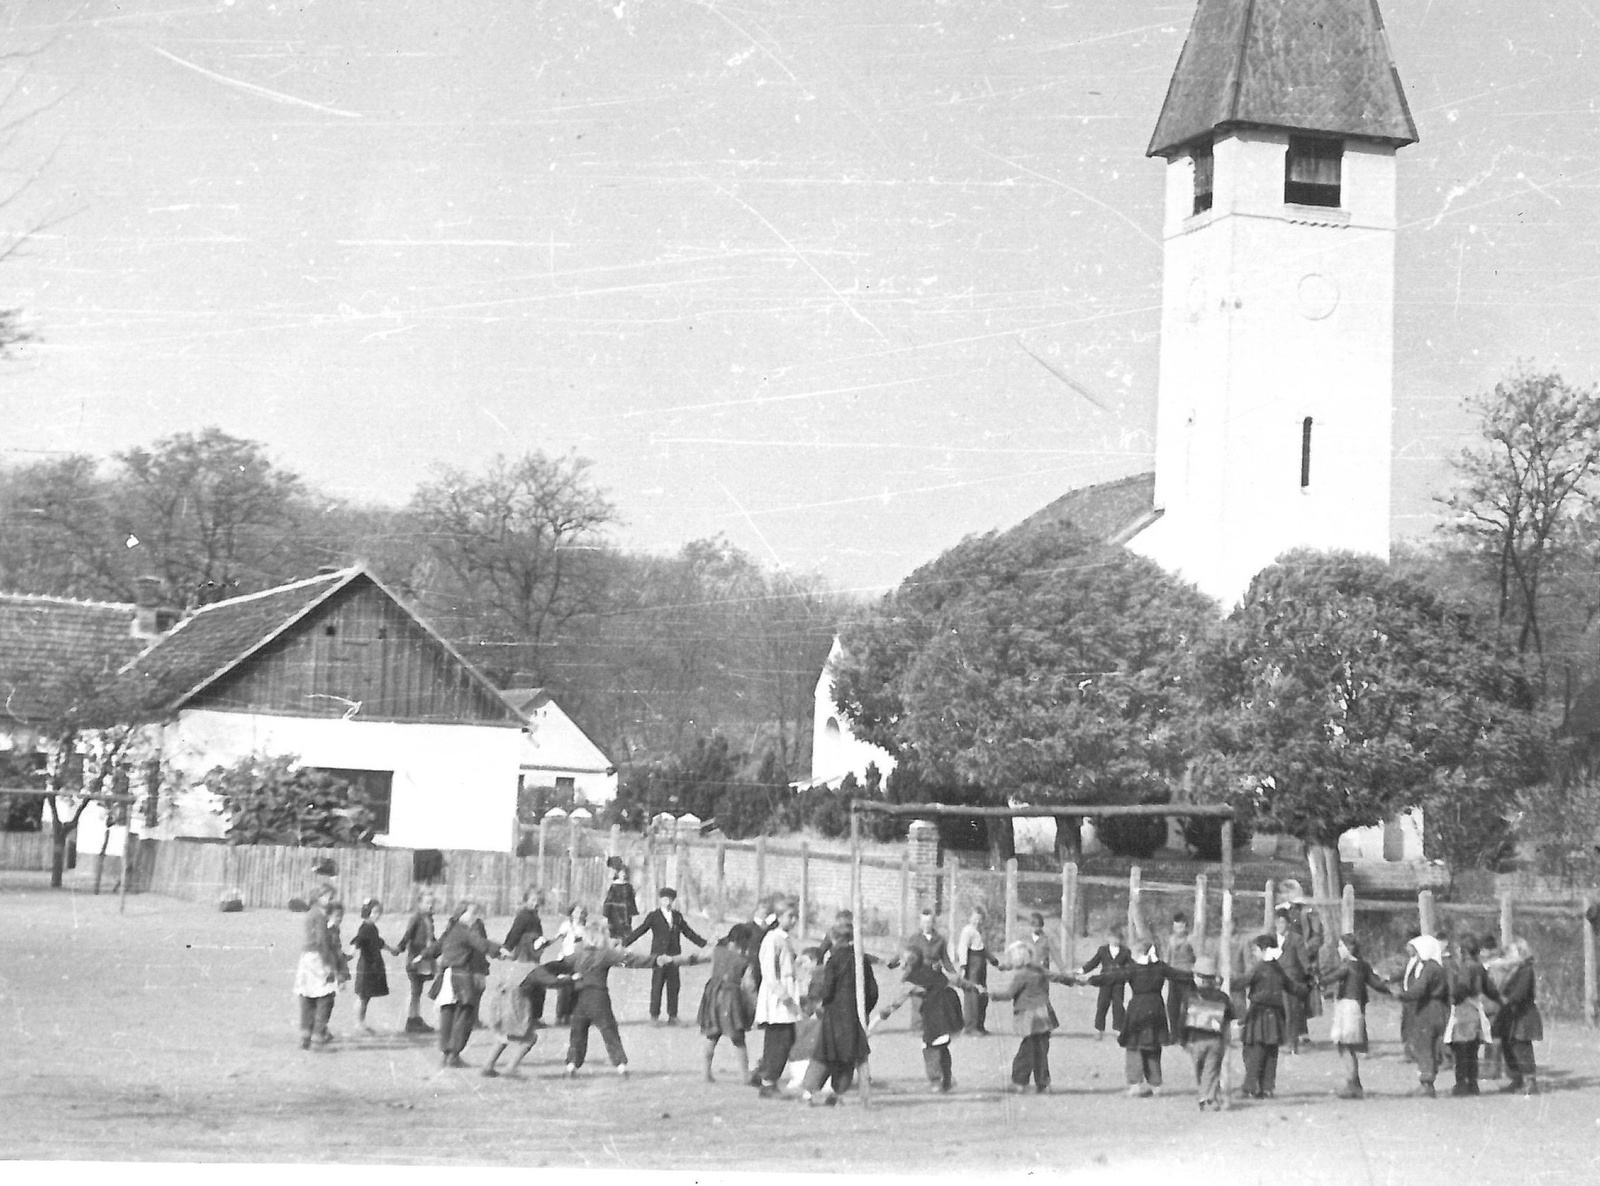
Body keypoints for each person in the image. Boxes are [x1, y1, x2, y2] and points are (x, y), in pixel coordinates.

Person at [552, 927, 685, 1077]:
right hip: (599, 998)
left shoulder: (577, 954)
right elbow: (631, 960)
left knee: (577, 1033)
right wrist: (656, 960)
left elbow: (558, 966)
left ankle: (571, 1067)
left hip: (580, 999)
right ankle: (621, 1067)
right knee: (609, 1031)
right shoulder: (605, 954)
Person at [1080, 936, 1194, 1097]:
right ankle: (1156, 1085)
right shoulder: (1160, 967)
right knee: (1153, 1046)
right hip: (1156, 1008)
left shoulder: (1134, 968)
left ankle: (1135, 1085)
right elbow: (1180, 975)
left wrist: (1091, 980)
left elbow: (1112, 977)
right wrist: (1199, 976)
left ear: (1140, 952)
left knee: (1134, 1046)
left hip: (1138, 1009)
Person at [875, 908, 972, 1093]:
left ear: (933, 922)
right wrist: (892, 962)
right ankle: (945, 1079)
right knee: (938, 1039)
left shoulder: (939, 941)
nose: (926, 924)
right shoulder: (914, 940)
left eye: (929, 922)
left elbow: (946, 964)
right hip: (934, 994)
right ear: (920, 923)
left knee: (931, 1042)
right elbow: (905, 954)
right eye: (924, 922)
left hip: (931, 991)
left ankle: (938, 1080)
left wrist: (886, 1011)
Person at [799, 920, 878, 1106]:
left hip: (835, 1013)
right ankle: (839, 1092)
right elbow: (872, 991)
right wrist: (864, 1010)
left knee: (825, 1052)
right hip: (853, 1014)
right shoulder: (861, 959)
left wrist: (821, 1003)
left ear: (834, 939)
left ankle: (809, 1092)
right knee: (850, 1054)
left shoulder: (834, 960)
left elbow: (828, 989)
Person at [987, 940, 1074, 1094]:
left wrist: (991, 994)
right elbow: (1056, 976)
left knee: (1026, 1051)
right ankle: (1043, 1084)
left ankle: (1019, 1082)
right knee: (1042, 1051)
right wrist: (1071, 980)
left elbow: (1008, 994)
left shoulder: (1021, 975)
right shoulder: (1038, 969)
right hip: (1045, 1015)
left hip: (1030, 1017)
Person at [426, 899, 501, 1068]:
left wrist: (424, 955)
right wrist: (500, 950)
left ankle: (447, 1054)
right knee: (464, 1015)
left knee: (448, 1015)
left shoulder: (452, 928)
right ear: (461, 914)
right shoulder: (466, 930)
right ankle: (453, 1055)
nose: (475, 916)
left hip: (448, 975)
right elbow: (482, 945)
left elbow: (438, 946)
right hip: (462, 977)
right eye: (472, 913)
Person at [1319, 933, 1389, 1099]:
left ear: (1348, 948)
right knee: (1348, 1045)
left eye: (1340, 946)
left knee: (1344, 1045)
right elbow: (1375, 983)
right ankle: (1354, 1083)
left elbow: (1333, 977)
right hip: (1356, 1006)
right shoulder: (1363, 965)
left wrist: (1317, 982)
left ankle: (1352, 1084)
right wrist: (1390, 989)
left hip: (1347, 1007)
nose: (1338, 949)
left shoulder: (1348, 965)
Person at [624, 886, 707, 1025]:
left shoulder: (677, 916)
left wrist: (704, 944)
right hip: (658, 958)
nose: (667, 902)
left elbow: (689, 933)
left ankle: (673, 1016)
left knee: (674, 986)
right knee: (657, 985)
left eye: (669, 899)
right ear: (660, 900)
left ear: (673, 900)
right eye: (664, 899)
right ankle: (654, 1016)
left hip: (674, 957)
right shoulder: (654, 916)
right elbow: (640, 931)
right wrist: (625, 943)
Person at [480, 950, 570, 1079]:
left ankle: (487, 1066)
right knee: (529, 1038)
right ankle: (510, 1068)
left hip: (501, 1005)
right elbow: (552, 982)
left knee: (503, 1035)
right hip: (518, 1005)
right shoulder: (533, 968)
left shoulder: (512, 965)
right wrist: (569, 979)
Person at [1239, 934, 1301, 1099]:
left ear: (1263, 949)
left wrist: (1224, 981)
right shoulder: (1278, 969)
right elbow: (1294, 988)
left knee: (1255, 1052)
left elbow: (1242, 982)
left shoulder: (1259, 968)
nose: (1254, 953)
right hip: (1275, 1015)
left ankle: (1251, 1087)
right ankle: (1267, 1088)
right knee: (1271, 1053)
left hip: (1258, 1014)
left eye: (1256, 949)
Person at [754, 899, 803, 1098]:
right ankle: (768, 1082)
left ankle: (764, 1074)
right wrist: (785, 997)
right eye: (790, 916)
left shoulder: (785, 938)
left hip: (788, 994)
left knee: (785, 1038)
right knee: (779, 1039)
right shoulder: (772, 939)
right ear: (779, 917)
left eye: (795, 916)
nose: (793, 920)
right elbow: (769, 974)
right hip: (777, 999)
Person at [698, 923, 759, 1083]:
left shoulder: (717, 952)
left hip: (712, 996)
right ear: (743, 940)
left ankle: (706, 1073)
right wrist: (753, 1008)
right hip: (730, 999)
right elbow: (750, 986)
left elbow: (699, 958)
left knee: (712, 1035)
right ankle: (745, 1076)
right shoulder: (744, 961)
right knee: (738, 1039)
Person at [1392, 934, 1450, 1097]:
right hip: (1437, 1008)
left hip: (1427, 1009)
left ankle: (1426, 1083)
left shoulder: (1429, 968)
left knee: (1425, 1046)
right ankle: (1428, 1080)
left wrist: (1402, 995)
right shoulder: (1438, 966)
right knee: (1430, 1046)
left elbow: (1419, 989)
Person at [1445, 932, 1499, 1096]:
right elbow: (1490, 989)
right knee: (1472, 1051)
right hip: (1476, 1009)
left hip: (1464, 1011)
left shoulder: (1466, 967)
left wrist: (1454, 998)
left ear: (1464, 951)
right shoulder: (1480, 967)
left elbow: (1462, 987)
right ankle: (1473, 1083)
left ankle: (1462, 1084)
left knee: (1461, 1050)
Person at [293, 884, 347, 1050]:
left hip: (306, 957)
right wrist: (329, 965)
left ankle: (305, 1034)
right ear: (319, 897)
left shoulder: (310, 913)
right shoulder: (320, 916)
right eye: (329, 898)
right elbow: (323, 942)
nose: (331, 901)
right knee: (326, 995)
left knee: (307, 995)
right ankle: (318, 1035)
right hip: (318, 957)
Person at [1180, 955, 1235, 1111]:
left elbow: (1182, 1019)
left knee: (1200, 1070)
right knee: (1211, 1070)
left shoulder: (1189, 996)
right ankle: (1211, 1097)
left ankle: (1207, 1097)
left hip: (1195, 1040)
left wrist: (1182, 1039)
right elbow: (1229, 1017)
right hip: (1216, 1040)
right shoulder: (1222, 997)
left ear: (1197, 977)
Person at [1492, 937, 1542, 1096]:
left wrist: (1506, 999)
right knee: (1510, 1046)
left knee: (1521, 1047)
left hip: (1523, 1015)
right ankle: (1517, 1078)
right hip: (1512, 1014)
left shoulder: (1526, 969)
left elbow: (1520, 993)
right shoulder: (1515, 969)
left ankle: (1529, 1081)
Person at [350, 897, 399, 1033]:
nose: (377, 915)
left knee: (366, 996)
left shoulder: (372, 928)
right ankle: (359, 1023)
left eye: (379, 912)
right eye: (375, 912)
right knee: (363, 996)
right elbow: (358, 940)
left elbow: (378, 942)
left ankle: (361, 1022)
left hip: (373, 965)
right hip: (366, 965)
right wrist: (351, 953)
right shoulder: (365, 928)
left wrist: (391, 949)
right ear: (367, 912)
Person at [502, 887, 550, 1024]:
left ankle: (533, 1017)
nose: (536, 903)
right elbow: (514, 933)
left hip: (533, 955)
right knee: (531, 986)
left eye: (538, 901)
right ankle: (528, 1017)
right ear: (526, 900)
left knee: (537, 987)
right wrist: (507, 948)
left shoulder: (534, 916)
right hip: (525, 955)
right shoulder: (524, 915)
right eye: (533, 900)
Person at [395, 887, 438, 1034]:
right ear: (419, 903)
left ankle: (416, 1017)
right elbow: (408, 935)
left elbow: (431, 938)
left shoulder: (429, 919)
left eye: (431, 903)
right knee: (415, 990)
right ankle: (411, 1019)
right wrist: (400, 948)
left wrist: (438, 948)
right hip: (416, 958)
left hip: (426, 958)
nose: (430, 905)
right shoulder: (416, 918)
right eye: (426, 902)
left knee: (418, 990)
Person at [1080, 924, 1131, 1041]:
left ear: (1121, 939)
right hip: (1105, 982)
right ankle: (1099, 1030)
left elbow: (1131, 967)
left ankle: (1119, 1031)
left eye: (1118, 938)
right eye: (1113, 938)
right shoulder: (1103, 950)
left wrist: (1125, 976)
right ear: (1108, 938)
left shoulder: (1125, 952)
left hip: (1118, 983)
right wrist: (1081, 971)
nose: (1115, 940)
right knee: (1102, 1005)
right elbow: (1093, 963)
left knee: (1118, 1006)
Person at [955, 907, 1001, 1036]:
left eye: (979, 920)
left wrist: (993, 961)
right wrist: (963, 966)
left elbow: (984, 949)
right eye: (975, 919)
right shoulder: (967, 931)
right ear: (970, 918)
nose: (977, 922)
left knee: (983, 995)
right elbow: (962, 948)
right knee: (972, 994)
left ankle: (980, 1025)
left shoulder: (979, 932)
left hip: (981, 965)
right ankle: (970, 1027)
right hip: (972, 966)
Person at [1271, 907, 1311, 1054]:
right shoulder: (1271, 939)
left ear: (1288, 923)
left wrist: (1308, 975)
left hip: (1291, 981)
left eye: (1283, 922)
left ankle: (1291, 1044)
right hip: (1274, 980)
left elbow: (1303, 960)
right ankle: (1277, 1042)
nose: (1280, 925)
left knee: (1291, 1013)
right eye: (1278, 922)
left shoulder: (1296, 939)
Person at [547, 904, 590, 1025]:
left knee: (576, 988)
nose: (579, 915)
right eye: (576, 912)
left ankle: (570, 1015)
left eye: (581, 912)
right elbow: (557, 937)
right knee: (564, 987)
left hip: (579, 961)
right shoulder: (567, 925)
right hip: (565, 959)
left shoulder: (585, 928)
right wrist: (548, 942)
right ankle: (560, 1016)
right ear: (571, 913)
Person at [1162, 911, 1197, 1045]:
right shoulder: (1171, 939)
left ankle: (1185, 1035)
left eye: (1181, 927)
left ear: (1186, 927)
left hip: (1187, 976)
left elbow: (1197, 957)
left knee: (1187, 1007)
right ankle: (1174, 1034)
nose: (1178, 930)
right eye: (1176, 927)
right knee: (1172, 1006)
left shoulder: (1191, 939)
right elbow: (1168, 957)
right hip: (1173, 976)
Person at [1479, 933, 1510, 1081]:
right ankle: (1491, 1067)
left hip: (1493, 1005)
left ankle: (1493, 1069)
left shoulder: (1496, 967)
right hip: (1491, 1004)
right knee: (1490, 1036)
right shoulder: (1492, 966)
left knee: (1494, 1037)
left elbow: (1495, 988)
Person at [602, 857, 638, 941]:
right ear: (618, 874)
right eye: (622, 874)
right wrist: (606, 911)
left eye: (625, 874)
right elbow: (609, 899)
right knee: (615, 930)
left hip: (626, 912)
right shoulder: (614, 886)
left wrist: (632, 910)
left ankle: (624, 945)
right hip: (615, 911)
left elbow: (631, 899)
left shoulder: (628, 886)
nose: (624, 875)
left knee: (625, 931)